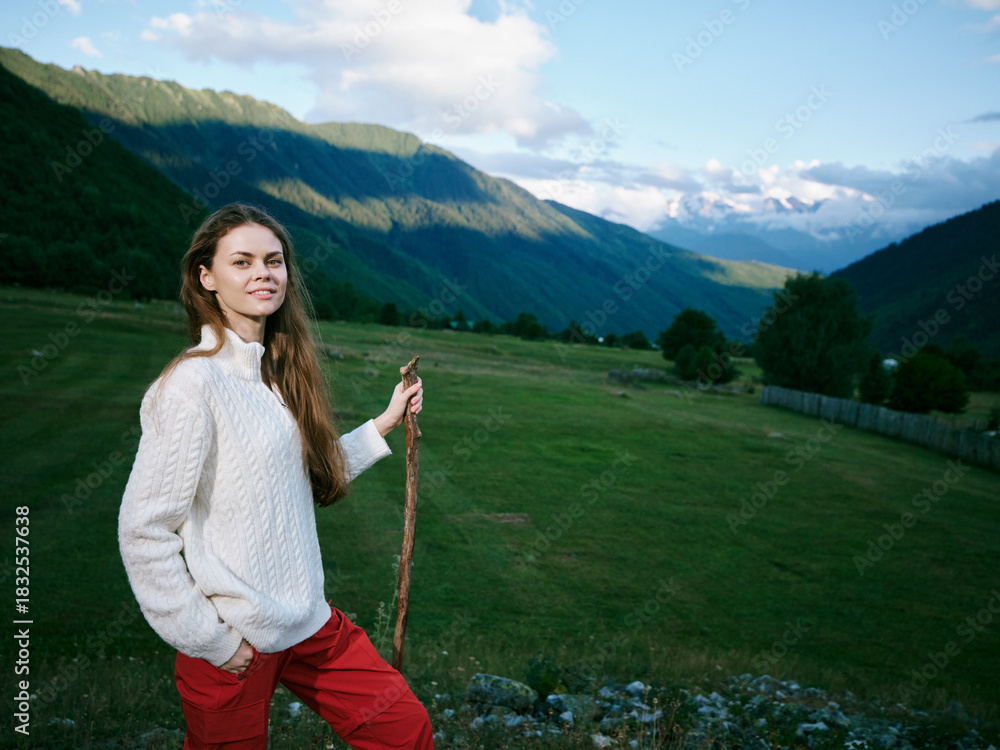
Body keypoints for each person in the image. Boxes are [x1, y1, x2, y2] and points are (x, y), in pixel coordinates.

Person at [118, 203, 433, 749]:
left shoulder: (275, 377)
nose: (263, 273)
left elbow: (299, 481)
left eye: (274, 260)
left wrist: (384, 421)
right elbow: (143, 532)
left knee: (404, 731)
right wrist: (210, 641)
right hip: (233, 640)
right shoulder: (191, 385)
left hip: (309, 623)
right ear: (206, 277)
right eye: (242, 262)